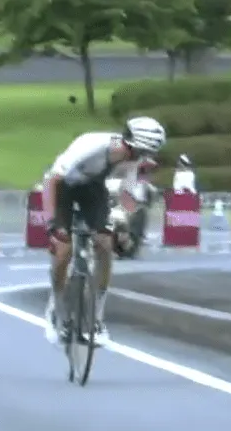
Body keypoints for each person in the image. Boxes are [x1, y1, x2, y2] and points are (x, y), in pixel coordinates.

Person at [42, 116, 167, 344]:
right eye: (138, 153)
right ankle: (56, 310)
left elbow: (127, 196)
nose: (140, 158)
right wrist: (52, 224)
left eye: (145, 154)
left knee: (104, 244)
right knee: (62, 250)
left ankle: (97, 319)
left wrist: (124, 225)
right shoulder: (91, 146)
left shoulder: (132, 158)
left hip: (92, 188)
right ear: (128, 143)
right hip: (63, 187)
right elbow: (53, 181)